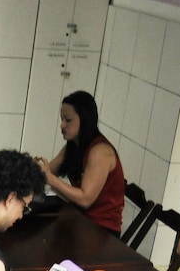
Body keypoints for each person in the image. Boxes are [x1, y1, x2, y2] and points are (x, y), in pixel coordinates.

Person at [36, 91, 124, 234]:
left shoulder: (100, 152)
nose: (62, 125)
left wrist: (50, 179)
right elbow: (48, 171)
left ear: (84, 120)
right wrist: (27, 170)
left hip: (100, 229)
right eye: (62, 119)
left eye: (68, 120)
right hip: (78, 218)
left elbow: (85, 199)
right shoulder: (73, 146)